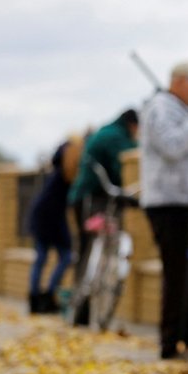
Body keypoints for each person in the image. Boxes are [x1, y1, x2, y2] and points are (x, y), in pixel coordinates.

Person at [139, 62, 188, 359]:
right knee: (176, 274)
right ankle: (169, 343)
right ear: (181, 82)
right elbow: (172, 148)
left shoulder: (180, 111)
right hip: (168, 205)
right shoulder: (161, 108)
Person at [68, 109, 139, 285]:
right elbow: (125, 164)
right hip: (93, 197)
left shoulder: (108, 131)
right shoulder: (117, 137)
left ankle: (81, 297)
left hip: (86, 195)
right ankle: (84, 297)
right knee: (91, 247)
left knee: (86, 249)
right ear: (133, 125)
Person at [27, 134, 83, 314]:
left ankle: (39, 298)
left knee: (45, 258)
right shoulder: (66, 172)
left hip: (46, 216)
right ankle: (44, 297)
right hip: (49, 218)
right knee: (61, 256)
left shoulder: (59, 170)